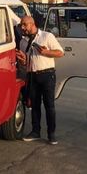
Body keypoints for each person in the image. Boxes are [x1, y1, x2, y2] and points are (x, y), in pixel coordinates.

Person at [16, 15, 64, 145]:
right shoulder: (23, 41)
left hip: (47, 75)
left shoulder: (46, 36)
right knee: (34, 105)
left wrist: (46, 53)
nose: (22, 27)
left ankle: (51, 134)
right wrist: (23, 59)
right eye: (21, 25)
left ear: (32, 24)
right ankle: (35, 131)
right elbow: (27, 61)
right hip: (32, 75)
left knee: (49, 105)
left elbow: (60, 53)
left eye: (25, 24)